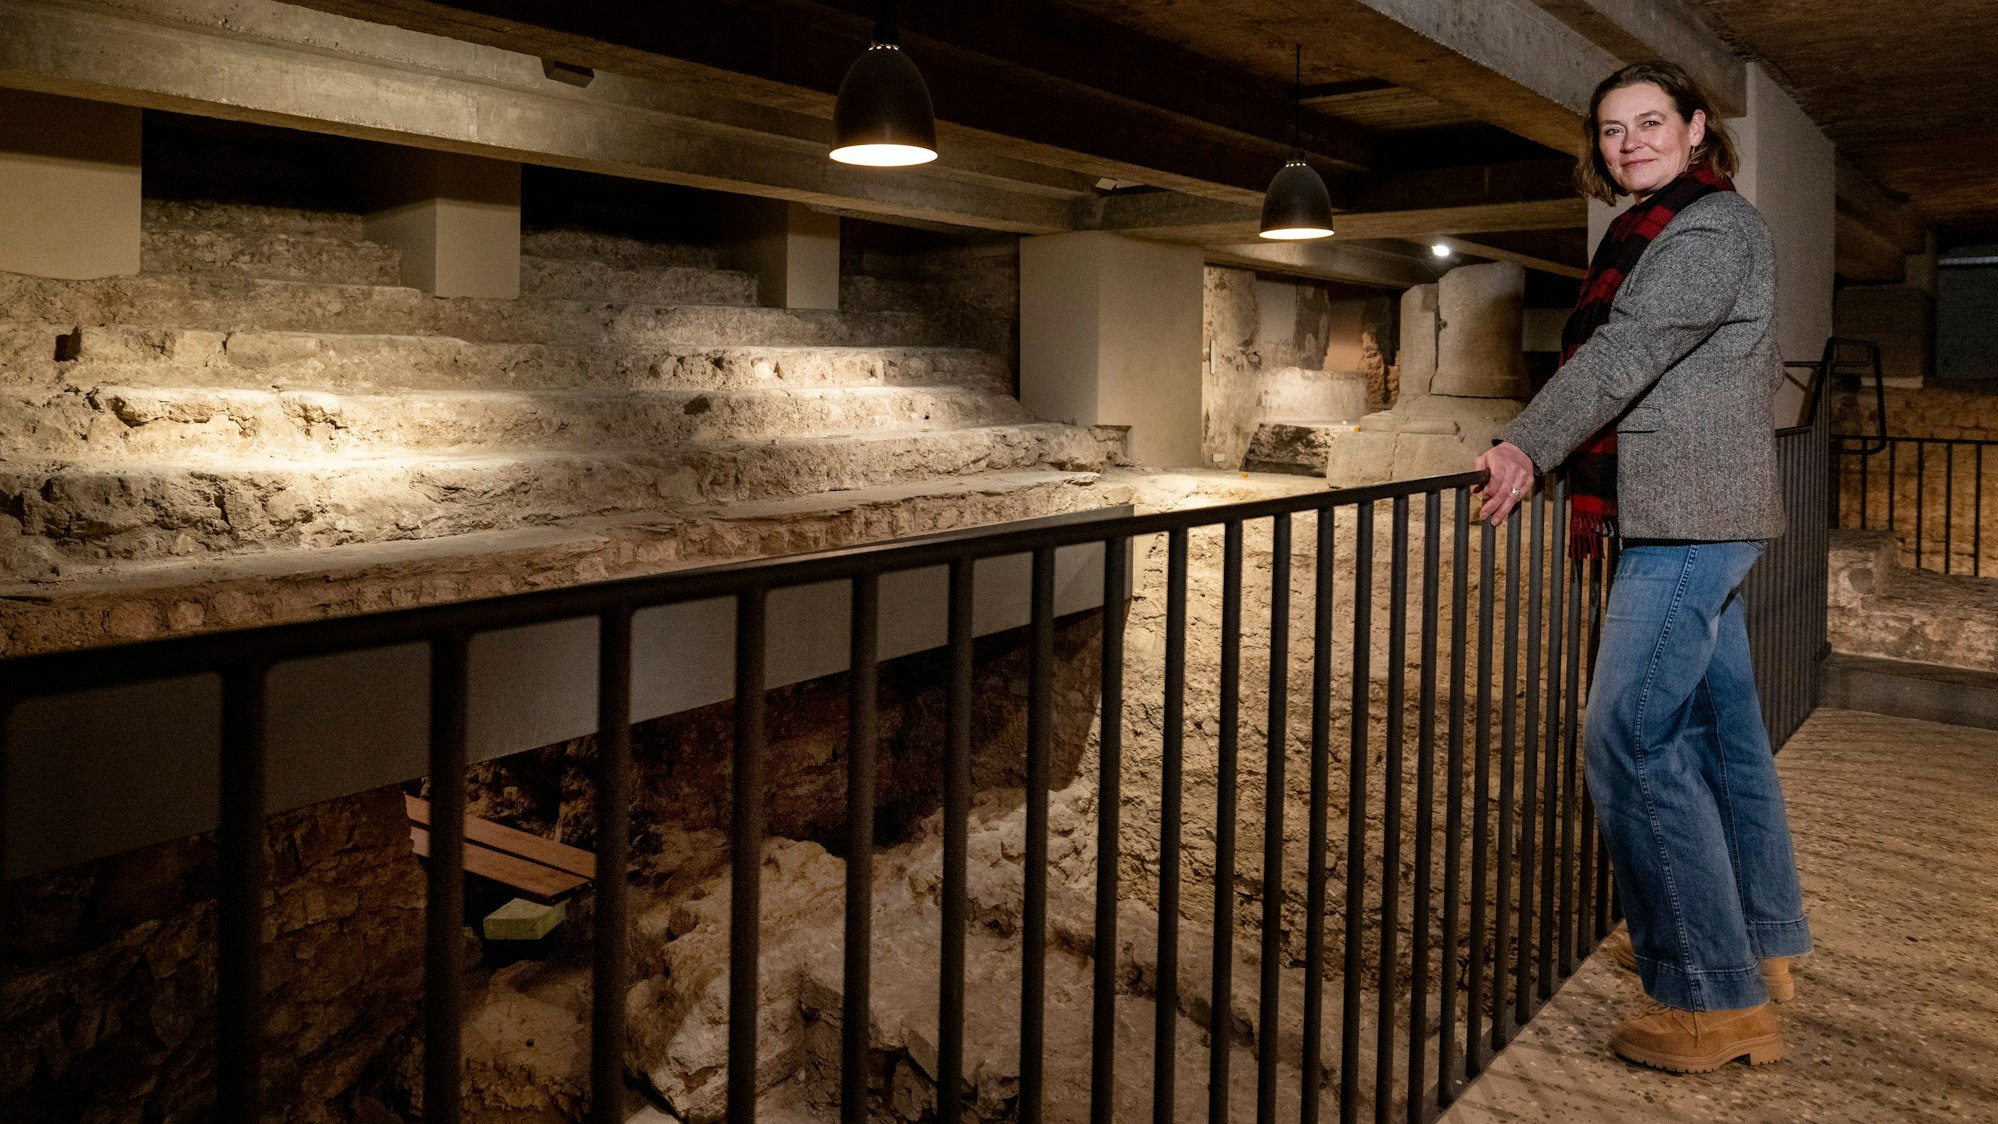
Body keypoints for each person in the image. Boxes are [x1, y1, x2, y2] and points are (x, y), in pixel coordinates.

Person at [1473, 59, 1812, 1074]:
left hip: (1690, 520)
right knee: (1723, 735)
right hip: (1691, 511)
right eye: (1613, 131)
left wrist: (1527, 444)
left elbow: (1626, 354)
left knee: (1625, 734)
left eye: (1650, 123)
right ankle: (1756, 942)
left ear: (1698, 127)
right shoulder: (1661, 228)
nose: (1629, 144)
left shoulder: (1706, 228)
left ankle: (1712, 997)